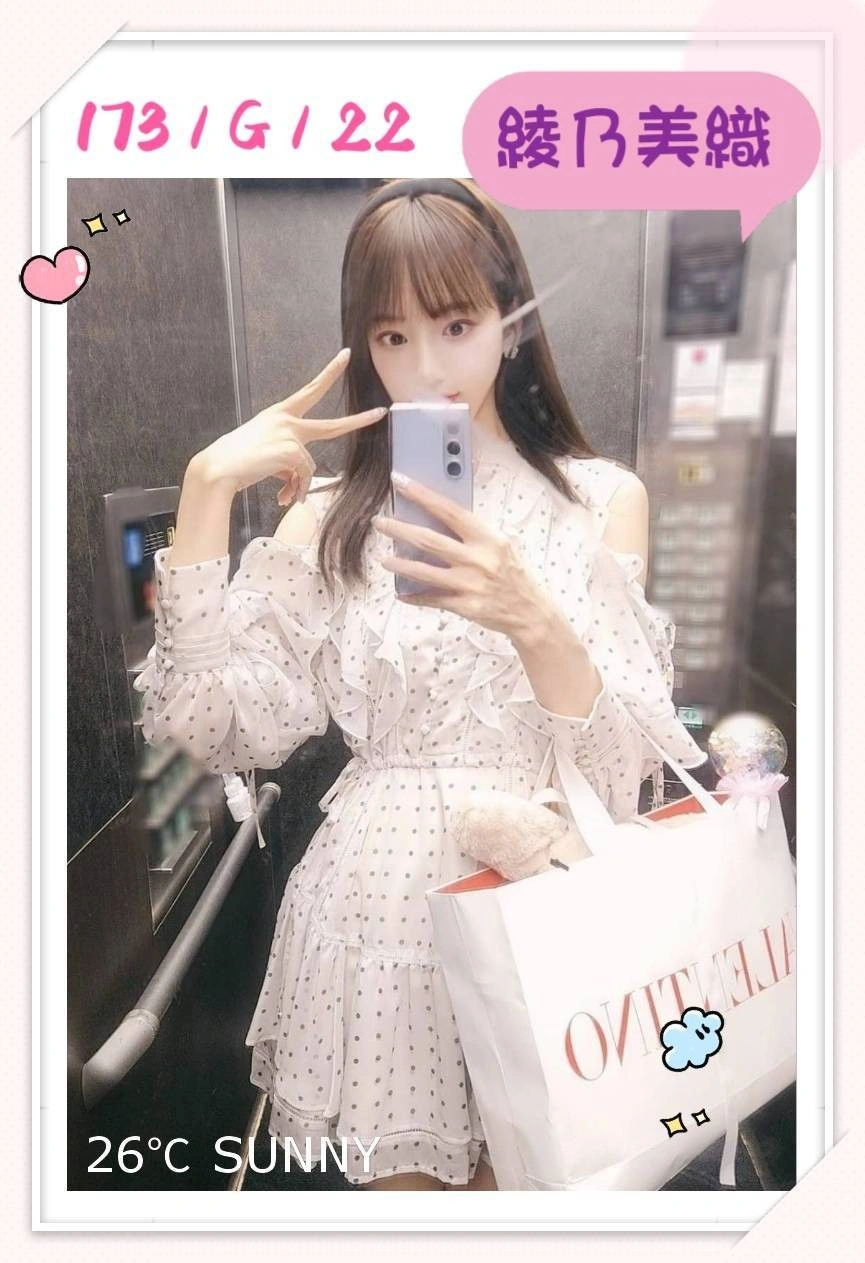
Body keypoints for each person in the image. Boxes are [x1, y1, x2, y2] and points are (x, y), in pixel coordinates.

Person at [133, 178, 707, 1191]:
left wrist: (533, 619)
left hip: (543, 898)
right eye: (392, 336)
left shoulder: (599, 500)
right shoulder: (326, 516)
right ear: (363, 345)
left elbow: (627, 768)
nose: (429, 368)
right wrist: (205, 494)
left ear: (510, 324)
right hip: (376, 912)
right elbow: (213, 728)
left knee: (537, 1200)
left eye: (455, 324)